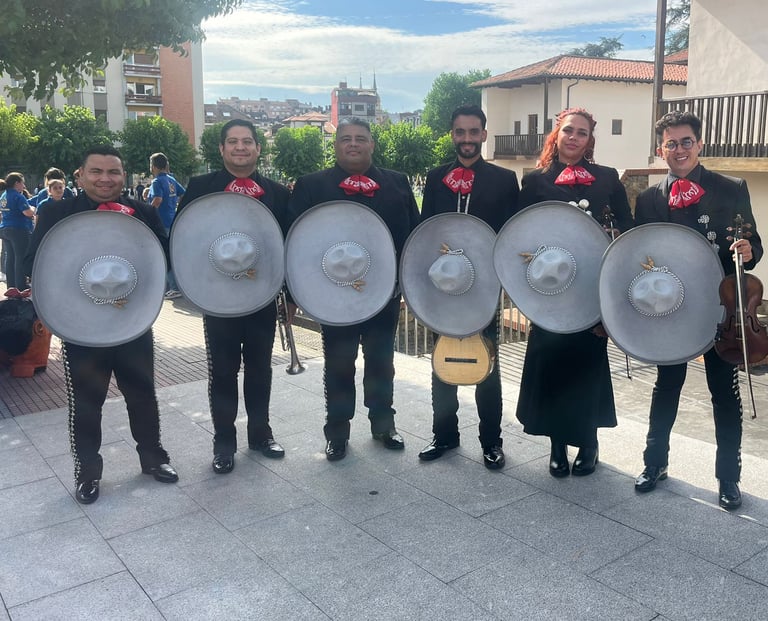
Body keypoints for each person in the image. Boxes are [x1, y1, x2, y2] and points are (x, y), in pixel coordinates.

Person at [23, 145, 179, 504]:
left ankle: (154, 459)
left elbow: (162, 260)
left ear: (124, 176)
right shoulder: (56, 212)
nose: (105, 179)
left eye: (113, 172)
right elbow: (35, 263)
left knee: (142, 394)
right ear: (80, 175)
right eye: (96, 171)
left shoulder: (141, 212)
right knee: (86, 402)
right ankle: (88, 473)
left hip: (132, 323)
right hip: (82, 325)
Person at [633, 110, 762, 510]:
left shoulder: (731, 187)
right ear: (661, 150)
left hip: (719, 311)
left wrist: (748, 250)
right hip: (670, 309)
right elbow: (642, 255)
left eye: (686, 141)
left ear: (699, 144)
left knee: (724, 394)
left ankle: (728, 478)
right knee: (666, 387)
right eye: (671, 143)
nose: (679, 150)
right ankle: (654, 464)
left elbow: (753, 244)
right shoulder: (650, 198)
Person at [288, 118, 420, 461]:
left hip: (385, 295)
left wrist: (410, 287)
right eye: (345, 138)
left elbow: (413, 239)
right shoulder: (310, 185)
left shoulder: (398, 184)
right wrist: (297, 295)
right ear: (335, 146)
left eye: (361, 138)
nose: (353, 144)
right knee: (338, 364)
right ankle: (337, 432)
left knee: (381, 362)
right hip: (332, 296)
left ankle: (383, 424)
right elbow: (297, 246)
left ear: (372, 144)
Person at [515, 108, 634, 478]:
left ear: (590, 139)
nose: (574, 138)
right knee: (552, 362)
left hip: (592, 288)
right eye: (569, 130)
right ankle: (556, 445)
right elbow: (521, 234)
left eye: (582, 133)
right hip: (549, 287)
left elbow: (627, 231)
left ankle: (588, 442)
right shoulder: (535, 181)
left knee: (587, 365)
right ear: (557, 134)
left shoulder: (607, 178)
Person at [177, 119, 290, 474]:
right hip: (217, 298)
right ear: (222, 149)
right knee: (223, 372)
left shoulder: (277, 192)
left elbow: (287, 247)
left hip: (262, 297)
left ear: (258, 148)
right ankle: (224, 442)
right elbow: (183, 240)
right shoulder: (200, 187)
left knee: (259, 370)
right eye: (232, 142)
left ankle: (260, 434)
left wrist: (289, 293)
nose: (240, 147)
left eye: (247, 142)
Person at [417, 104, 520, 469]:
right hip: (442, 287)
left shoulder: (505, 179)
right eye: (460, 132)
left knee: (487, 365)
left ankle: (491, 441)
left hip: (484, 289)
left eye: (473, 132)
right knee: (440, 363)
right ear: (452, 135)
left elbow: (511, 236)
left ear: (484, 135)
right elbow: (425, 231)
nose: (466, 139)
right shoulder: (434, 177)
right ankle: (444, 435)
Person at [148, 152, 186, 300]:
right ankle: (173, 285)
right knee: (171, 253)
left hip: (160, 222)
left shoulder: (156, 182)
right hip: (171, 220)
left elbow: (157, 200)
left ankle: (174, 287)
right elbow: (183, 194)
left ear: (154, 166)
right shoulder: (171, 180)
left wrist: (148, 213)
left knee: (163, 255)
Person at [0, 172, 35, 290]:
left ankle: (11, 285)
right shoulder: (18, 196)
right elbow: (28, 213)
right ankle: (21, 285)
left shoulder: (4, 195)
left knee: (10, 257)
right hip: (18, 229)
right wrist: (33, 209)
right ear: (17, 183)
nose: (24, 186)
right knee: (20, 257)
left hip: (5, 228)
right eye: (22, 183)